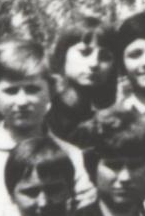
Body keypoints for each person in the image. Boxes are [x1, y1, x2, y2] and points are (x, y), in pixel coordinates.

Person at [0, 41, 86, 216]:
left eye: (32, 89)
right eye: (11, 91)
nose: (21, 101)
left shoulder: (72, 155)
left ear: (51, 91)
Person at [45, 14, 118, 150]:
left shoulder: (111, 123)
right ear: (63, 54)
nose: (94, 63)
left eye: (105, 57)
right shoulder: (44, 117)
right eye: (84, 52)